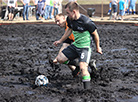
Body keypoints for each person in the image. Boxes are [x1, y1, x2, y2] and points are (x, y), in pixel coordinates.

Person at [53, 2, 102, 89]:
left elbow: (95, 35)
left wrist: (98, 47)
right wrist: (60, 41)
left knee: (83, 68)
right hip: (75, 46)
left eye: (68, 13)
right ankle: (79, 64)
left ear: (74, 12)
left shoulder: (86, 22)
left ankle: (87, 90)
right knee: (60, 59)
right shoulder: (69, 19)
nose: (67, 15)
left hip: (84, 48)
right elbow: (69, 31)